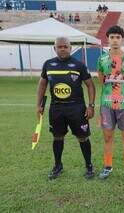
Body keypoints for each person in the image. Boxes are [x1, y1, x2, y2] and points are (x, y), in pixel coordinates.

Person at [36, 37, 96, 180]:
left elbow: (90, 85)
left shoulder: (79, 65)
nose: (63, 49)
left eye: (65, 46)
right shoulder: (48, 64)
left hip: (76, 107)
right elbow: (42, 84)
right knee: (57, 137)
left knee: (82, 137)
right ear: (54, 48)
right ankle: (58, 166)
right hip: (56, 108)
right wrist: (39, 105)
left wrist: (91, 105)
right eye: (60, 46)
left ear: (70, 48)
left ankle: (89, 166)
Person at [97, 25, 124, 180]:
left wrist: (123, 95)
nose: (115, 40)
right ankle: (107, 166)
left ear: (122, 39)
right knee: (108, 137)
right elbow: (102, 81)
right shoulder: (102, 59)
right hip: (107, 105)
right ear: (108, 39)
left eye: (118, 37)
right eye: (112, 37)